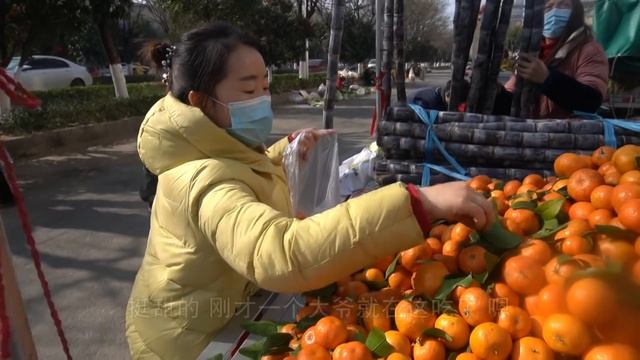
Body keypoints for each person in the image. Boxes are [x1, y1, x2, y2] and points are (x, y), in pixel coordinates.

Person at [126, 22, 495, 359]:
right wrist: (418, 202)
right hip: (182, 342)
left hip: (220, 314)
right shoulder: (202, 181)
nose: (262, 99)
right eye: (249, 89)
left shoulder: (217, 148)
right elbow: (281, 254)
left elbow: (242, 170)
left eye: (266, 87)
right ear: (199, 101)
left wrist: (284, 151)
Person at [504, 0, 609, 118]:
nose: (555, 12)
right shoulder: (533, 52)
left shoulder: (588, 50)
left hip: (568, 134)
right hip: (532, 132)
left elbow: (592, 102)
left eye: (564, 5)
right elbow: (513, 101)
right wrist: (498, 93)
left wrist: (547, 79)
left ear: (576, 11)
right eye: (548, 7)